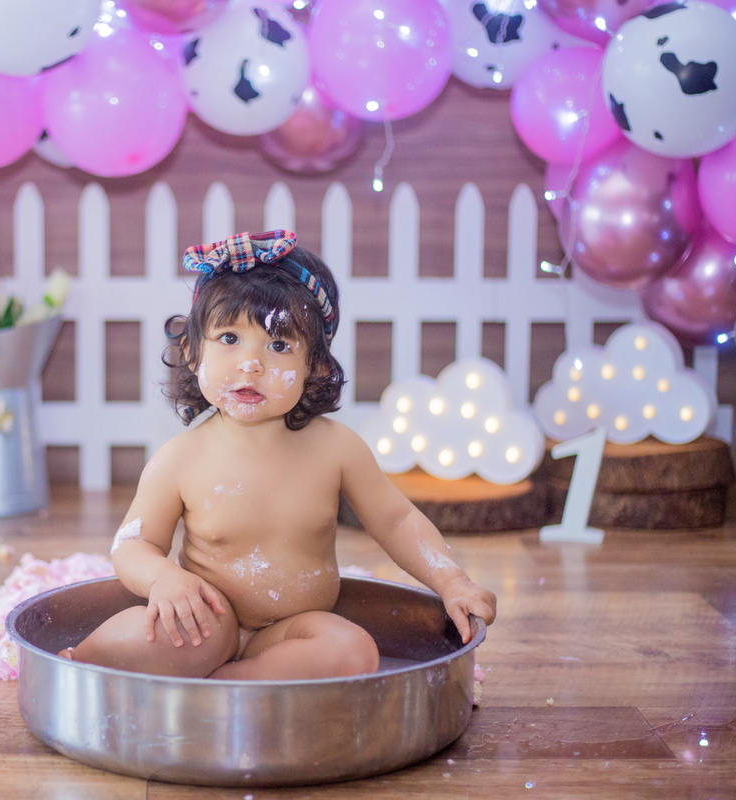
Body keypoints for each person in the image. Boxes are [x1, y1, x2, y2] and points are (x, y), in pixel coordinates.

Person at [63, 230, 496, 680]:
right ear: (192, 353)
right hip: (209, 623)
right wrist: (162, 579)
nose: (251, 363)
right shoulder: (181, 459)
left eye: (278, 345)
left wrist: (452, 582)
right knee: (147, 634)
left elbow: (397, 521)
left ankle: (226, 689)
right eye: (229, 339)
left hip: (291, 631)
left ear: (316, 368)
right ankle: (78, 664)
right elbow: (133, 544)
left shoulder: (336, 448)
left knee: (351, 650)